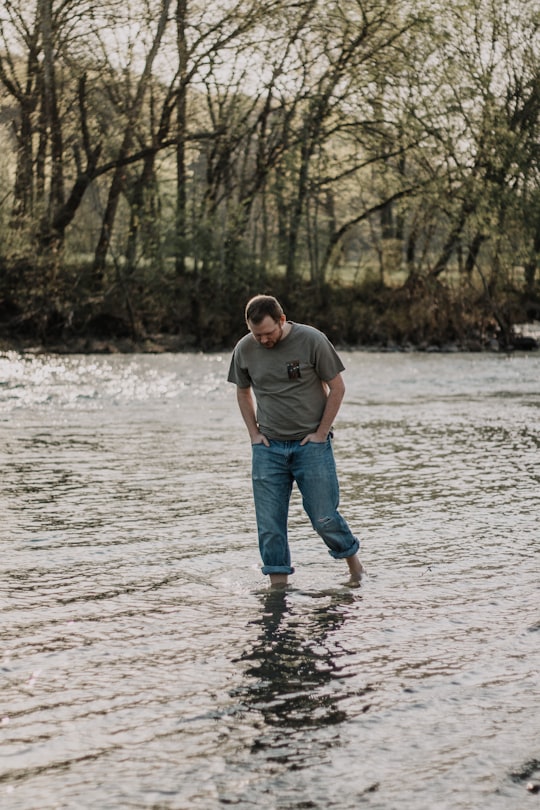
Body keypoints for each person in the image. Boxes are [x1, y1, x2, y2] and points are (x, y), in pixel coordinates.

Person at [227, 294, 363, 588]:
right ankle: (278, 589)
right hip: (268, 449)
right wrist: (254, 434)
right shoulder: (244, 349)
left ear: (282, 320)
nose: (263, 340)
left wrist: (320, 433)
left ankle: (354, 568)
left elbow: (337, 387)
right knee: (270, 525)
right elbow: (242, 391)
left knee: (324, 517)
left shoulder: (312, 340)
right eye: (257, 334)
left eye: (268, 333)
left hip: (310, 447)